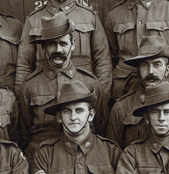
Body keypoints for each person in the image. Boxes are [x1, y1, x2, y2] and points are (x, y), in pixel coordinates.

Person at [15, 0, 112, 98]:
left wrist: (101, 95)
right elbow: (24, 64)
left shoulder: (89, 16)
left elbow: (103, 61)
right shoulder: (33, 20)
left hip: (83, 92)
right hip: (45, 92)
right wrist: (22, 97)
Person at [17, 11, 105, 164]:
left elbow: (102, 126)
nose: (58, 50)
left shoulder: (90, 83)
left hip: (83, 158)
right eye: (52, 44)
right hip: (41, 160)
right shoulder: (30, 86)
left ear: (73, 45)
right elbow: (24, 133)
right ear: (44, 48)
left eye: (63, 43)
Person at [107, 36, 169, 151]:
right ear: (138, 69)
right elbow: (113, 154)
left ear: (167, 70)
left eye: (157, 64)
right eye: (144, 65)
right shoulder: (121, 108)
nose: (150, 71)